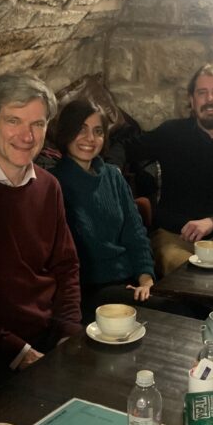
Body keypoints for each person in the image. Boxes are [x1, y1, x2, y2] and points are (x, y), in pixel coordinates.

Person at [0, 72, 82, 373]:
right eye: (14, 121)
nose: (27, 136)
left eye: (37, 124)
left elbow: (65, 266)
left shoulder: (48, 186)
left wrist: (68, 331)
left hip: (48, 337)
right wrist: (19, 352)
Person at [128, 64, 213, 275]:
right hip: (175, 237)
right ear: (192, 101)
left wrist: (212, 221)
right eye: (202, 93)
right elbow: (126, 147)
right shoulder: (171, 133)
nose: (210, 99)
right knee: (192, 275)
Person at [50, 98, 164, 321]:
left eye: (98, 131)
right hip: (92, 291)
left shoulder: (113, 175)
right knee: (172, 315)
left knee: (183, 308)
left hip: (131, 280)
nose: (90, 139)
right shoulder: (54, 183)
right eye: (81, 130)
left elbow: (136, 233)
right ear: (66, 133)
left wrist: (146, 280)